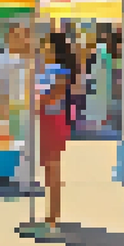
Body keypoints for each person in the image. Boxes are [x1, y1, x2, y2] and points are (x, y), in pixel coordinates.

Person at [36, 32, 76, 233]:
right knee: (48, 168)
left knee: (52, 167)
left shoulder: (59, 70)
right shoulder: (45, 70)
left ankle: (53, 214)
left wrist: (37, 102)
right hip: (45, 120)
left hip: (53, 120)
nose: (43, 50)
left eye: (46, 46)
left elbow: (56, 93)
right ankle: (50, 213)